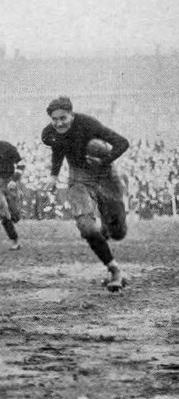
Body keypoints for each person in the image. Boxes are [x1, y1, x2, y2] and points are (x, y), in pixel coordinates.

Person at [41, 96, 130, 291]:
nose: (58, 123)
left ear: (72, 114)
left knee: (118, 233)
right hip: (79, 176)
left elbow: (123, 143)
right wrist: (54, 176)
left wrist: (104, 159)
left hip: (105, 174)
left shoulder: (88, 124)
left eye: (63, 118)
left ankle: (109, 224)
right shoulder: (49, 133)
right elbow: (58, 149)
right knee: (87, 228)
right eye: (54, 119)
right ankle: (114, 270)